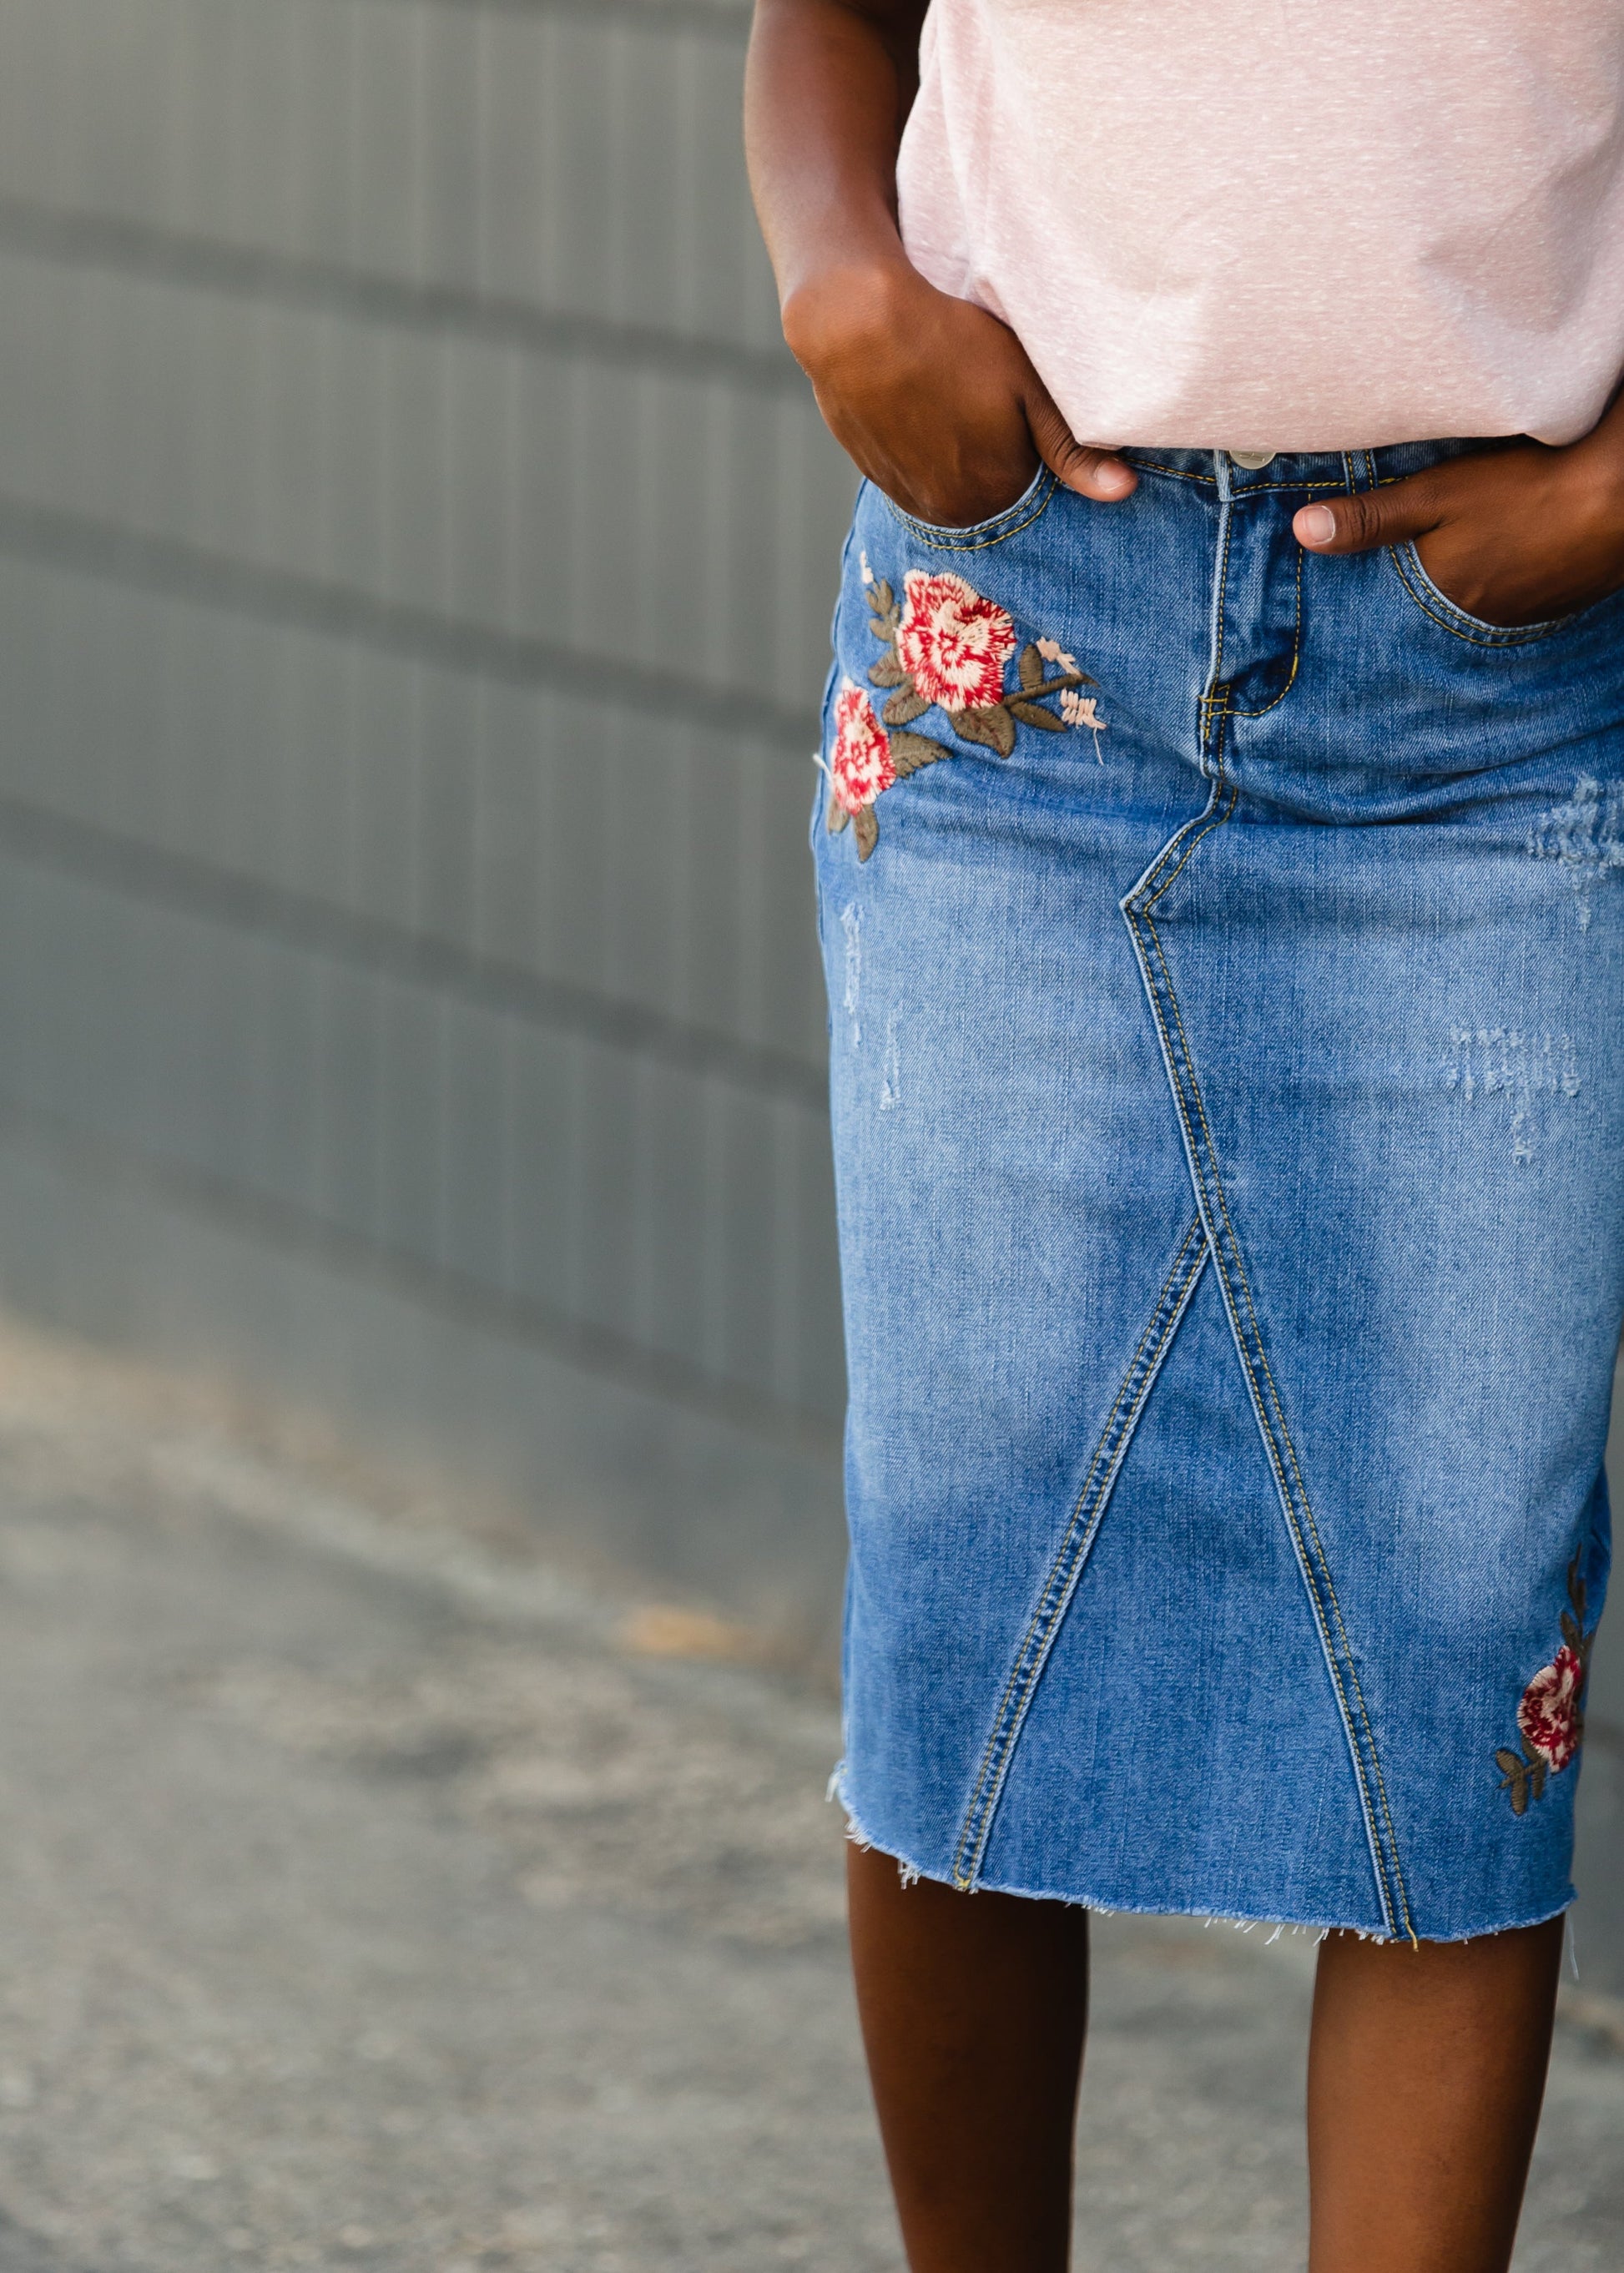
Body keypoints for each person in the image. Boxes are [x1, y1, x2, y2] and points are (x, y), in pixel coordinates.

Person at [744, 6, 1624, 2270]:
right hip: (1014, 640)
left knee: (1456, 1626)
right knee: (962, 1556)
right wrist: (837, 270)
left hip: (1494, 696)